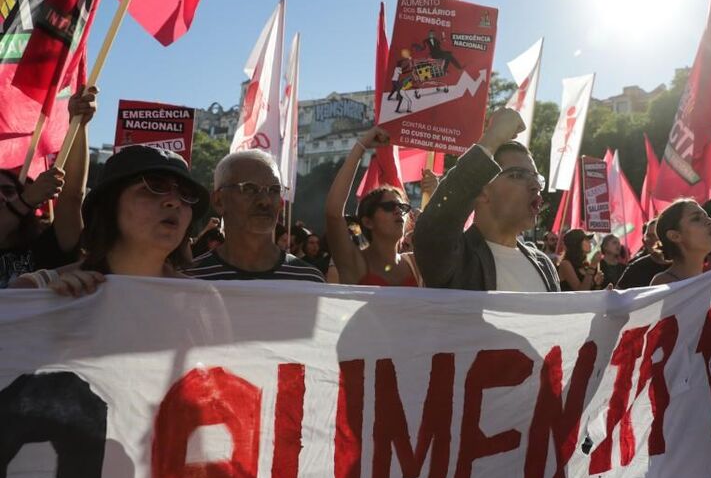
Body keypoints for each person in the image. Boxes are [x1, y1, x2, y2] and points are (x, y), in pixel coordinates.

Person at [9, 146, 210, 292]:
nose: (174, 201)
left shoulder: (202, 299)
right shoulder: (33, 291)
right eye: (155, 186)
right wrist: (48, 314)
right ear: (109, 205)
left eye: (186, 194)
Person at [414, 108, 559, 291]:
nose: (535, 186)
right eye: (517, 175)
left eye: (536, 178)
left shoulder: (544, 265)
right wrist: (492, 138)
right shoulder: (457, 258)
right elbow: (433, 228)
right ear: (481, 191)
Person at [0, 87, 97, 288]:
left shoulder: (44, 248)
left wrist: (78, 125)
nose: (2, 197)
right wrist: (25, 200)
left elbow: (71, 198)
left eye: (9, 191)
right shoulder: (25, 200)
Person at [186, 150, 324, 281]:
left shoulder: (309, 281)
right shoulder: (187, 281)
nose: (265, 201)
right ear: (218, 201)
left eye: (274, 190)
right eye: (249, 189)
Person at [325, 127, 421, 287]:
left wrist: (432, 191)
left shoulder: (415, 263)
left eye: (403, 207)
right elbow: (333, 214)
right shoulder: (355, 262)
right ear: (368, 221)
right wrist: (362, 146)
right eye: (389, 206)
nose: (399, 211)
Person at [649, 199, 711, 286]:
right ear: (675, 236)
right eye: (696, 218)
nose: (710, 221)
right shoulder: (665, 283)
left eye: (706, 216)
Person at [618, 218, 670, 289]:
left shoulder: (682, 264)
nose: (652, 240)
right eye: (648, 236)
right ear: (644, 240)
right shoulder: (635, 268)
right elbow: (618, 295)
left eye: (655, 235)